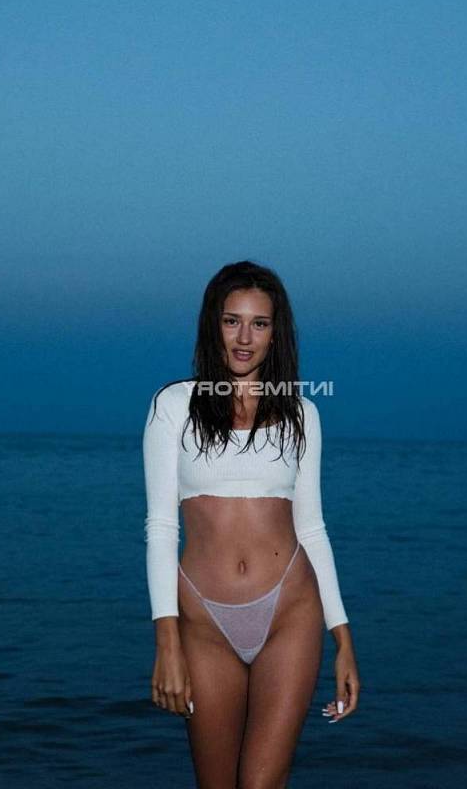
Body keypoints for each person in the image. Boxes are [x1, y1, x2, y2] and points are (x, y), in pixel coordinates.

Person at [142, 260, 361, 788]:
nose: (244, 338)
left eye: (259, 324)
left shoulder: (302, 413)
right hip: (203, 623)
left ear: (275, 333)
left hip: (290, 614)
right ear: (212, 326)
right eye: (231, 321)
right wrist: (166, 643)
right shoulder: (173, 405)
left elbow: (312, 528)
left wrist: (343, 638)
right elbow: (161, 527)